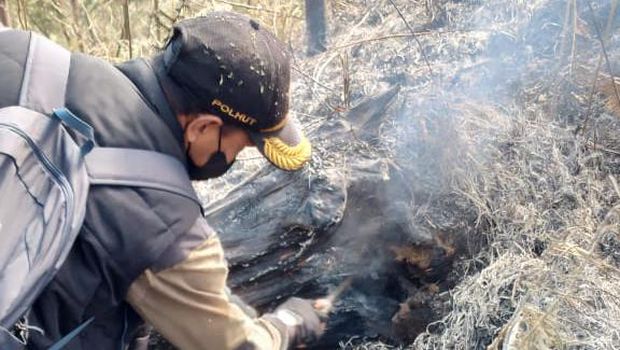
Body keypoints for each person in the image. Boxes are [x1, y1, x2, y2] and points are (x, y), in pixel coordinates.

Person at [0, 11, 323, 350]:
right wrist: (289, 324)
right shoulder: (165, 224)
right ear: (203, 128)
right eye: (239, 147)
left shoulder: (25, 53)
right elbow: (236, 345)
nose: (233, 159)